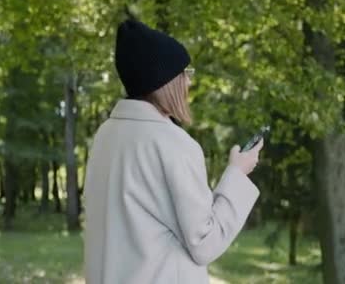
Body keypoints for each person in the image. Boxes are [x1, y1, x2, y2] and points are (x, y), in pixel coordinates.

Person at [84, 19, 264, 283]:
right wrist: (237, 174)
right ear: (166, 81)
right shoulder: (173, 144)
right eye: (185, 72)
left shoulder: (105, 136)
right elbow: (205, 243)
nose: (189, 82)